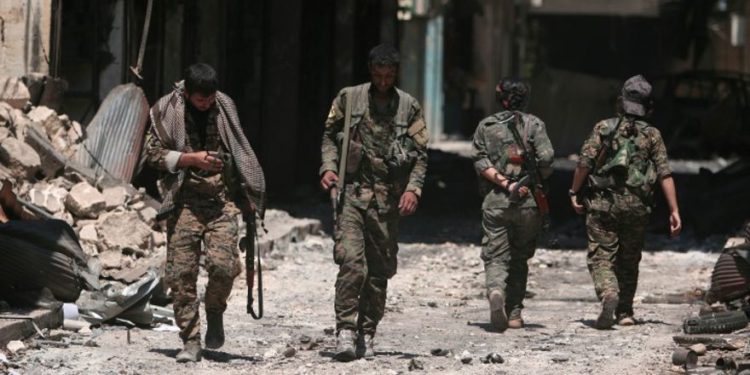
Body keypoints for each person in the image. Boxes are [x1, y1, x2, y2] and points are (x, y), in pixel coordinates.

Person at [144, 63, 266, 362]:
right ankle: (191, 340)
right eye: (201, 100)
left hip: (221, 201)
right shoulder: (166, 109)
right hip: (184, 202)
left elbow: (239, 152)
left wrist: (247, 197)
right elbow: (152, 154)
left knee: (224, 267)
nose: (207, 104)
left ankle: (215, 309)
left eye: (210, 99)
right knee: (181, 274)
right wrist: (189, 159)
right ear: (187, 93)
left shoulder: (225, 107)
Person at [319, 43, 429, 361]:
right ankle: (345, 331)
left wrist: (414, 190)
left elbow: (421, 154)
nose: (383, 81)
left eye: (389, 75)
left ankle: (368, 332)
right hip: (352, 195)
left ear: (396, 74)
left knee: (378, 274)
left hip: (387, 201)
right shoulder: (349, 98)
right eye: (378, 75)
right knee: (352, 264)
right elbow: (329, 135)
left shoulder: (409, 107)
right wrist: (328, 167)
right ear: (370, 71)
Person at [569, 75, 681, 329]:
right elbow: (665, 173)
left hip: (603, 203)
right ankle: (625, 312)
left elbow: (584, 164)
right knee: (630, 259)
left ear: (621, 101)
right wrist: (674, 210)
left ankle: (609, 293)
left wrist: (573, 191)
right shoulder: (652, 135)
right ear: (647, 105)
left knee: (601, 256)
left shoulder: (604, 128)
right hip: (638, 206)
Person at [470, 78, 554, 332]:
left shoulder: (486, 126)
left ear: (502, 99)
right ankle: (515, 313)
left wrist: (506, 183)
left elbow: (480, 162)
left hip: (496, 202)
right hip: (529, 203)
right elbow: (548, 158)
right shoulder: (535, 125)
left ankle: (496, 291)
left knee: (495, 255)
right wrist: (535, 175)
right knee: (519, 258)